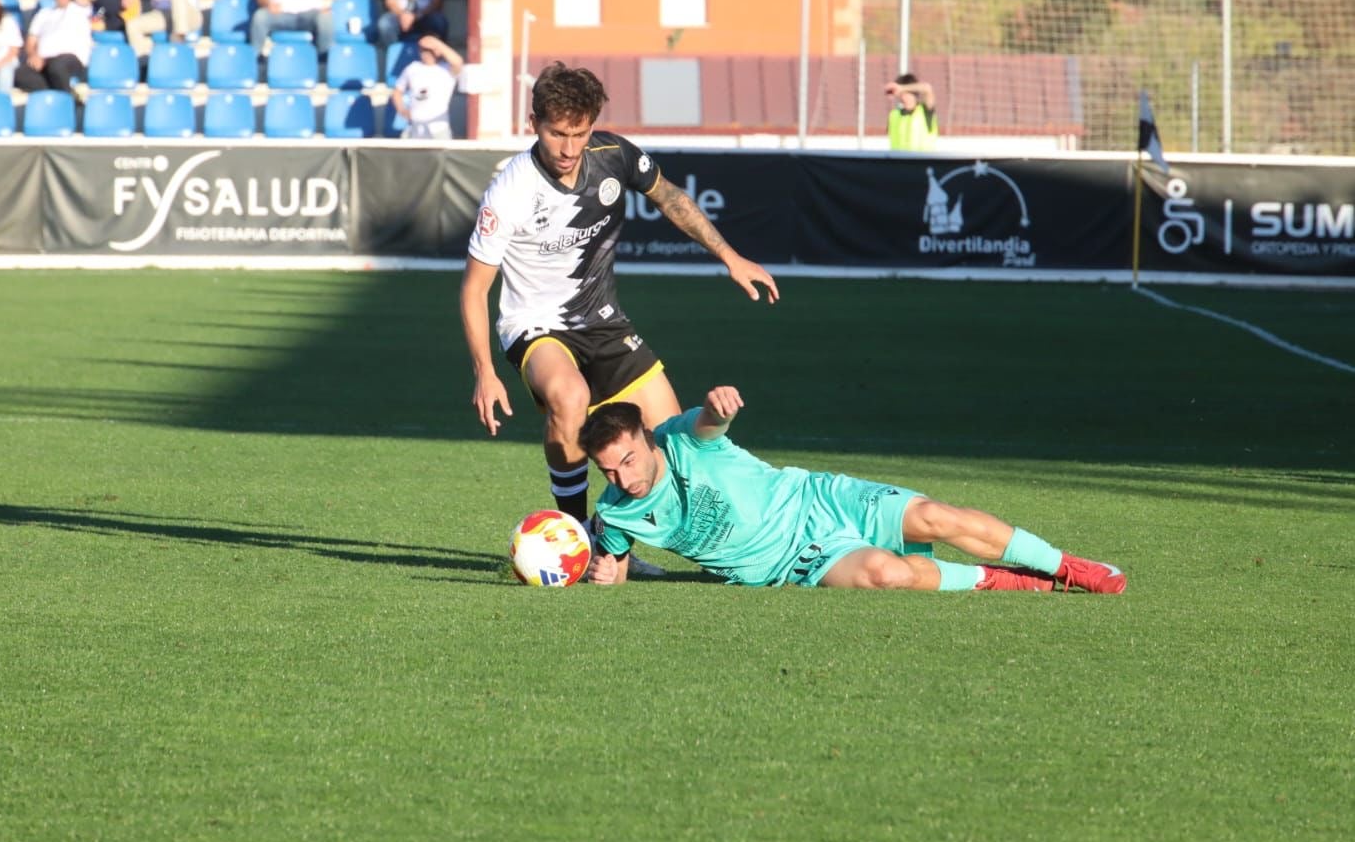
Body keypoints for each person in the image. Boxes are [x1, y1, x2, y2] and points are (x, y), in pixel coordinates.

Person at [461, 62, 779, 530]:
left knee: (672, 447)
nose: (570, 149)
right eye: (557, 134)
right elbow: (474, 289)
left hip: (605, 321)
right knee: (570, 396)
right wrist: (485, 373)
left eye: (580, 133)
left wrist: (730, 256)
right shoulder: (509, 191)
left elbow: (670, 197)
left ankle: (615, 540)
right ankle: (574, 535)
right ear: (534, 125)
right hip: (534, 325)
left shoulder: (614, 154)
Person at [579, 386, 1128, 594]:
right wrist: (607, 574)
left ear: (647, 438)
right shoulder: (617, 512)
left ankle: (1067, 566)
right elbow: (620, 566)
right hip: (788, 563)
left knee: (936, 517)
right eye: (608, 472)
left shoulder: (682, 439)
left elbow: (709, 424)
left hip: (817, 500)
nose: (624, 479)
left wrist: (719, 408)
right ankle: (1003, 580)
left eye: (628, 460)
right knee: (884, 574)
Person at [15, 0, 93, 94]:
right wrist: (33, 55)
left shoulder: (78, 9)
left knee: (57, 66)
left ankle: (67, 102)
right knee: (20, 74)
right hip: (43, 60)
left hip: (70, 58)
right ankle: (61, 94)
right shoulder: (43, 14)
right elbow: (31, 41)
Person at [391, 34, 461, 139]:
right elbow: (397, 91)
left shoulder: (447, 70)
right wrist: (402, 109)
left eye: (430, 50)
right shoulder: (412, 68)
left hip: (438, 128)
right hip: (414, 126)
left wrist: (437, 44)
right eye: (423, 50)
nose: (426, 53)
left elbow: (458, 61)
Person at [885, 73, 938, 151]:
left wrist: (902, 88)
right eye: (901, 94)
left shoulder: (925, 111)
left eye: (906, 93)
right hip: (898, 162)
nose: (903, 96)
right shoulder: (894, 115)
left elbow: (927, 88)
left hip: (922, 161)